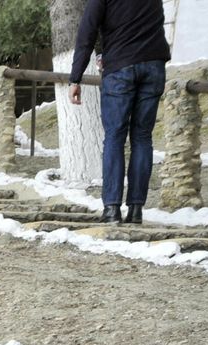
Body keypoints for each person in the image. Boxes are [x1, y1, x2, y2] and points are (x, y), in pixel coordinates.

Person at [69, 0, 171, 225]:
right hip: (154, 66)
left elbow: (87, 33)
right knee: (142, 137)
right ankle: (136, 209)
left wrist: (75, 78)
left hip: (120, 67)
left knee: (115, 136)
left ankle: (112, 209)